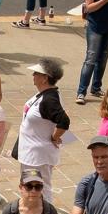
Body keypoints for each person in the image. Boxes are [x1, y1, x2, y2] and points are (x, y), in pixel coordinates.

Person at [17, 58, 70, 203]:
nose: (33, 75)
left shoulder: (49, 99)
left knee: (40, 187)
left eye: (36, 73)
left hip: (37, 157)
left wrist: (55, 137)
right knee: (31, 185)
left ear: (45, 78)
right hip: (32, 153)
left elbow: (64, 121)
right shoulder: (46, 94)